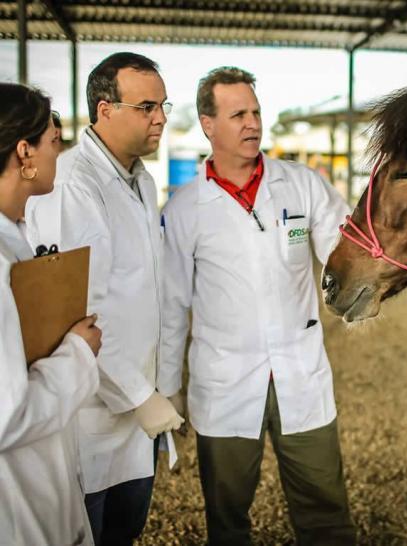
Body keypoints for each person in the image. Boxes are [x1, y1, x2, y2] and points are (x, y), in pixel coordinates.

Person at [159, 66, 356, 546]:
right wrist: (168, 391)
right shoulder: (184, 208)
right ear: (208, 124)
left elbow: (345, 252)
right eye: (238, 114)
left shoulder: (303, 186)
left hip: (301, 374)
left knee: (326, 515)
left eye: (256, 112)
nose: (252, 124)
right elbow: (170, 306)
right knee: (227, 522)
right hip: (223, 384)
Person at [24, 53, 184, 546]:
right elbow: (74, 316)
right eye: (147, 107)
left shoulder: (143, 179)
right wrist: (141, 396)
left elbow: (144, 290)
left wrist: (159, 388)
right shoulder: (73, 185)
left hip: (140, 418)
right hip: (92, 419)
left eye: (163, 106)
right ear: (105, 109)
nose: (159, 118)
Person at [0, 82, 102, 544]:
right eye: (53, 143)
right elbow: (7, 415)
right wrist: (79, 353)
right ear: (25, 152)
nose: (58, 155)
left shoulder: (16, 240)